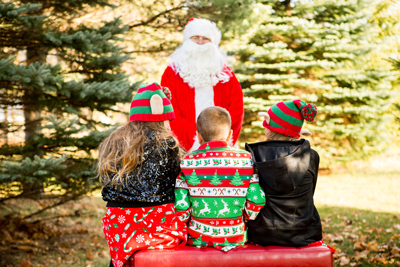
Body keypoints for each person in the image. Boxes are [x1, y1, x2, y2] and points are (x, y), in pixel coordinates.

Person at [98, 83, 187, 267]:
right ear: (163, 118)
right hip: (156, 220)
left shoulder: (114, 140)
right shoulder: (167, 142)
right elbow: (175, 184)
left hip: (118, 222)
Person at [174, 106, 265, 251]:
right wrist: (245, 217)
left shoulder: (187, 162)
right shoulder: (246, 160)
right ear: (229, 135)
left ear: (198, 136)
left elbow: (181, 206)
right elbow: (256, 200)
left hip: (198, 239)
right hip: (235, 238)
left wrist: (187, 220)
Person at [245, 100, 327, 248]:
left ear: (269, 129)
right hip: (305, 233)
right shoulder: (311, 156)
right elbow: (309, 193)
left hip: (260, 234)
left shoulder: (252, 156)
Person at [161, 18, 244, 152]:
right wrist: (189, 139)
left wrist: (221, 139)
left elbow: (236, 110)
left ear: (213, 42)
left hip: (221, 145)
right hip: (181, 145)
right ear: (187, 40)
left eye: (205, 38)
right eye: (195, 37)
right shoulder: (171, 73)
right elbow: (169, 108)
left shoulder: (226, 76)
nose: (200, 42)